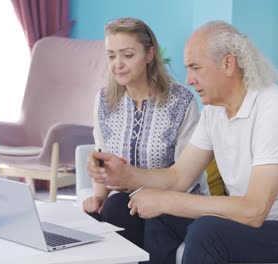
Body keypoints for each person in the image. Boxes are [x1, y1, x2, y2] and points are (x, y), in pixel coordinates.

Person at [92, 20, 278, 264]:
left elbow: (254, 210)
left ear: (228, 64)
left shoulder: (277, 109)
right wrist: (127, 175)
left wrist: (168, 200)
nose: (189, 80)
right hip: (258, 221)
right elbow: (179, 176)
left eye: (195, 68)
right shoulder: (214, 113)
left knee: (207, 231)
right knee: (155, 216)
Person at [82, 17, 209, 248]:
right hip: (128, 205)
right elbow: (102, 157)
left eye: (127, 55)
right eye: (111, 55)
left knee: (127, 211)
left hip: (176, 204)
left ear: (149, 55)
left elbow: (185, 178)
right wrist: (98, 197)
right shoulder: (104, 100)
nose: (117, 64)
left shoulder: (181, 101)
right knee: (104, 211)